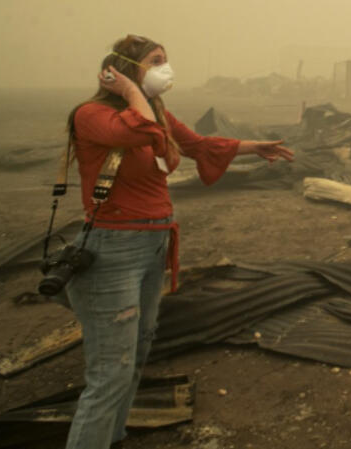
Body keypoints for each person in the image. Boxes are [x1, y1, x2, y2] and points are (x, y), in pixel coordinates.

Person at [60, 34, 294, 449]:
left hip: (152, 245)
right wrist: (131, 90)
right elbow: (138, 129)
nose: (165, 69)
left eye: (166, 59)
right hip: (113, 251)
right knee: (109, 372)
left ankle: (111, 438)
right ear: (123, 69)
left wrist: (250, 146)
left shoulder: (157, 115)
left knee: (137, 353)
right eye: (155, 61)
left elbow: (196, 145)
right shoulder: (93, 115)